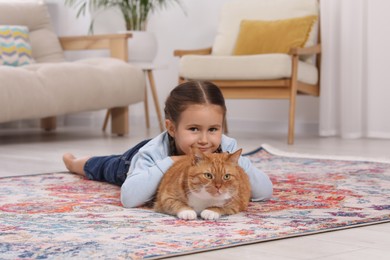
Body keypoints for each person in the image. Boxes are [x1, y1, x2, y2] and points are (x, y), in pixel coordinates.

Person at [63, 80, 273, 208]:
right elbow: (129, 199)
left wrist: (238, 165)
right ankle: (77, 163)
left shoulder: (225, 149)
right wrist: (170, 162)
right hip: (130, 164)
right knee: (107, 165)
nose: (204, 140)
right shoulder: (153, 153)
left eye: (213, 129)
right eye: (193, 129)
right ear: (172, 128)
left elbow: (265, 192)